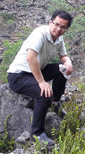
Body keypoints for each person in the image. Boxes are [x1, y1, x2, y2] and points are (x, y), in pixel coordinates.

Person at [7, 9, 74, 146]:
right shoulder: (40, 33)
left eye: (63, 27)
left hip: (36, 71)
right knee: (43, 93)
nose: (58, 29)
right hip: (19, 75)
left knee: (62, 70)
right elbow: (31, 57)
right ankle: (37, 133)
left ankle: (55, 102)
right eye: (56, 24)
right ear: (50, 22)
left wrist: (68, 62)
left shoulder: (59, 38)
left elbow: (63, 56)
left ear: (66, 29)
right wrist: (41, 82)